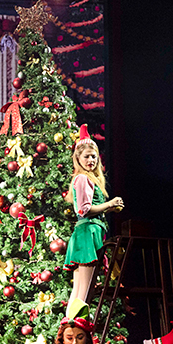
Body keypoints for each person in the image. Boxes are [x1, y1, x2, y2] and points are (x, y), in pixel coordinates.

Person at [64, 125, 124, 311]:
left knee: (79, 290)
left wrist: (110, 208)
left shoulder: (89, 178)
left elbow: (92, 209)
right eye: (86, 156)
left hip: (89, 232)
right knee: (84, 290)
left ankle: (70, 324)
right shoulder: (82, 178)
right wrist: (110, 203)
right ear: (78, 159)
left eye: (93, 156)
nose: (91, 160)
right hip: (87, 234)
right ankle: (75, 325)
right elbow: (84, 210)